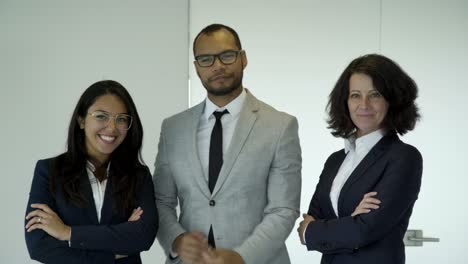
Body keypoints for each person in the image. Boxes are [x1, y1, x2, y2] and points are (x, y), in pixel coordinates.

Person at [153, 24, 302, 264]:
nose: (218, 66)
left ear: (243, 59)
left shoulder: (280, 126)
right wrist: (177, 240)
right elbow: (161, 201)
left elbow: (283, 209)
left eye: (227, 55)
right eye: (206, 59)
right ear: (197, 68)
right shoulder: (173, 129)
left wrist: (241, 257)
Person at [297, 54, 422, 264]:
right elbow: (312, 217)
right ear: (345, 101)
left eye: (375, 95)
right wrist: (350, 221)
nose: (364, 105)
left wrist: (316, 231)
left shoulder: (404, 157)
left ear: (392, 100)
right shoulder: (335, 161)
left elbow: (364, 231)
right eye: (355, 95)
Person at [25, 80, 158, 264]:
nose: (111, 127)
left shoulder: (138, 175)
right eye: (101, 116)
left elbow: (143, 236)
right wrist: (114, 252)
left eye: (121, 119)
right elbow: (39, 246)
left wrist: (68, 233)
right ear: (81, 120)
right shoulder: (49, 171)